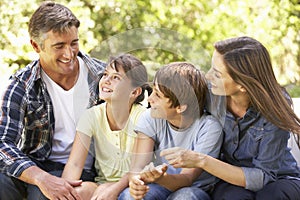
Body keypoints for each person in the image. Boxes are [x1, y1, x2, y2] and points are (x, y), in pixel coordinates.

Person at [161, 36, 300, 200]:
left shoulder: (275, 106)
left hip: (279, 178)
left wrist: (201, 160)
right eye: (211, 68)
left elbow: (264, 177)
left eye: (217, 74)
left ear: (242, 85)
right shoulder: (210, 94)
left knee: (271, 196)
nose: (208, 76)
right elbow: (172, 102)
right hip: (229, 177)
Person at [0, 2, 106, 200]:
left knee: (43, 196)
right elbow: (2, 142)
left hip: (83, 169)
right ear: (35, 46)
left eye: (74, 43)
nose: (69, 54)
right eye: (59, 46)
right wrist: (40, 177)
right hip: (37, 163)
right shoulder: (22, 85)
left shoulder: (102, 77)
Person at [119, 62, 223, 200]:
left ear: (180, 107)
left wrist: (161, 178)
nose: (149, 99)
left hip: (194, 189)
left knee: (186, 197)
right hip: (158, 185)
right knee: (129, 196)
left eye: (158, 95)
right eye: (152, 90)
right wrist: (136, 182)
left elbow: (187, 179)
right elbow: (138, 166)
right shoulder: (151, 117)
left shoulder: (209, 128)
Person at [62, 53, 152, 200]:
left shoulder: (143, 118)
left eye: (116, 77)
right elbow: (75, 164)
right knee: (74, 194)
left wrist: (114, 188)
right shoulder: (91, 116)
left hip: (136, 183)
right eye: (105, 74)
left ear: (134, 92)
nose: (106, 80)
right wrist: (64, 192)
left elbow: (139, 168)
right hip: (102, 183)